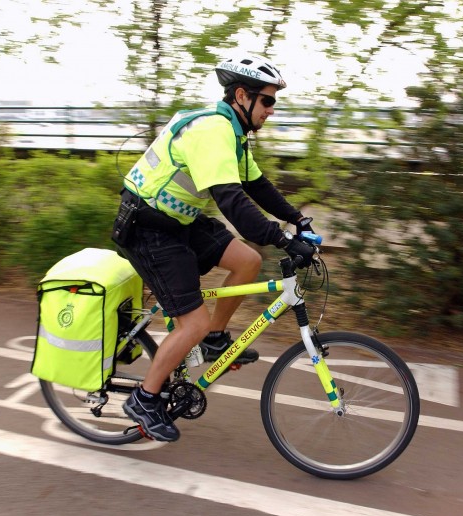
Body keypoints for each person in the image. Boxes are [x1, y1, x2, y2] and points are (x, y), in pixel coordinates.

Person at [112, 53, 316, 442]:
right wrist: (283, 239)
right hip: (149, 227)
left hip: (179, 220)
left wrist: (297, 219)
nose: (271, 110)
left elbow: (256, 186)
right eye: (268, 100)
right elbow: (231, 202)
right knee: (193, 320)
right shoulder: (213, 129)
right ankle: (145, 397)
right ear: (243, 95)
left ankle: (213, 341)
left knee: (247, 262)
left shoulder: (234, 135)